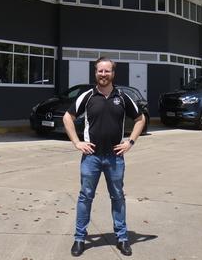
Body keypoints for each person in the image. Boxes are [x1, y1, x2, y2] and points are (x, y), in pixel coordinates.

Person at [62, 57, 145, 257]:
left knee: (117, 197)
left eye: (107, 71)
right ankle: (80, 239)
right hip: (92, 158)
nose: (103, 74)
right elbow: (68, 117)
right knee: (85, 197)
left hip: (115, 158)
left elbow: (140, 119)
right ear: (95, 72)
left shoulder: (123, 97)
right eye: (100, 71)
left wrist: (130, 142)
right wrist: (77, 142)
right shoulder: (88, 96)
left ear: (113, 74)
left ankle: (122, 238)